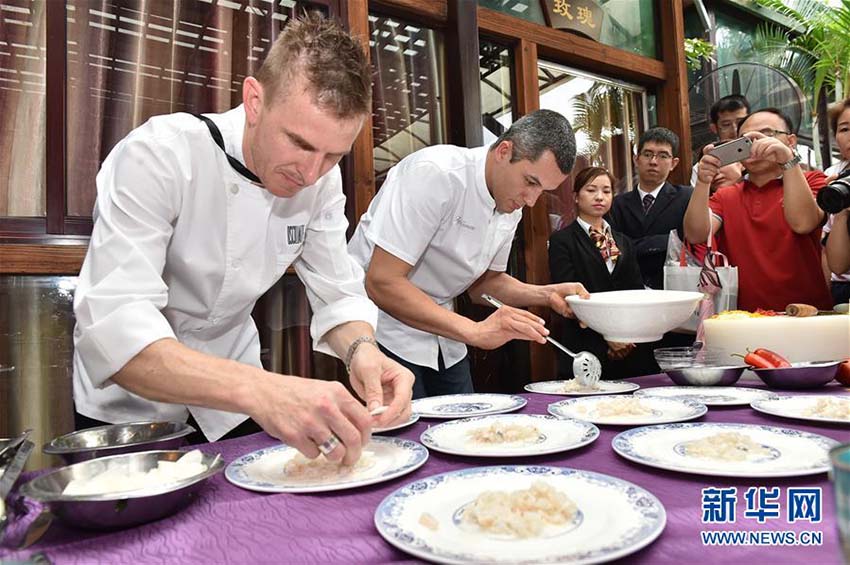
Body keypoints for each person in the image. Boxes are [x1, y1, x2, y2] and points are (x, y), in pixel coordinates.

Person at [72, 14, 414, 467]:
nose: (310, 173)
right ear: (255, 100)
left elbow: (338, 293)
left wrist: (362, 351)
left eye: (334, 155)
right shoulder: (160, 155)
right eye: (299, 143)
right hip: (131, 409)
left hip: (233, 406)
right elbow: (117, 328)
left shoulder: (322, 186)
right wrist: (267, 390)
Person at [348, 110, 589, 398]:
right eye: (530, 182)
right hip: (380, 328)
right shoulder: (435, 173)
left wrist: (546, 294)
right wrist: (475, 332)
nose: (531, 200)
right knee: (406, 435)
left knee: (463, 425)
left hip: (444, 334)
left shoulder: (511, 201)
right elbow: (381, 282)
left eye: (543, 190)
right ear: (503, 150)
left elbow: (485, 284)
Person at [684, 108, 833, 312]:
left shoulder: (812, 180)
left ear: (791, 141)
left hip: (807, 313)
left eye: (767, 134)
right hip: (745, 318)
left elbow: (803, 223)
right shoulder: (726, 195)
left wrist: (787, 160)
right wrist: (702, 182)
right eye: (745, 140)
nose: (756, 144)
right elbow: (695, 234)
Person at [548, 167, 658, 380]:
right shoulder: (562, 241)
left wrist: (623, 335)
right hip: (585, 342)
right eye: (591, 190)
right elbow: (568, 296)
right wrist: (608, 336)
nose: (600, 197)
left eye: (606, 191)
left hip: (628, 345)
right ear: (576, 197)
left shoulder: (623, 241)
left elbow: (635, 292)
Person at [609, 127, 693, 290]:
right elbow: (615, 251)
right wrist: (666, 241)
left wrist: (634, 245)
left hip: (673, 289)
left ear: (673, 163)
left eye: (663, 156)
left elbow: (689, 243)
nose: (654, 161)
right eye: (647, 154)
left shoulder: (687, 197)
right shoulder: (617, 204)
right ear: (636, 159)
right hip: (629, 290)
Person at [823, 98, 850, 305]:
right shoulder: (834, 178)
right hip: (844, 289)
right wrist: (841, 210)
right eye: (844, 129)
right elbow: (838, 266)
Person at [690, 95, 751, 186]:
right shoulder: (704, 164)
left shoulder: (763, 154)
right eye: (726, 124)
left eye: (740, 122)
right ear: (714, 128)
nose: (735, 130)